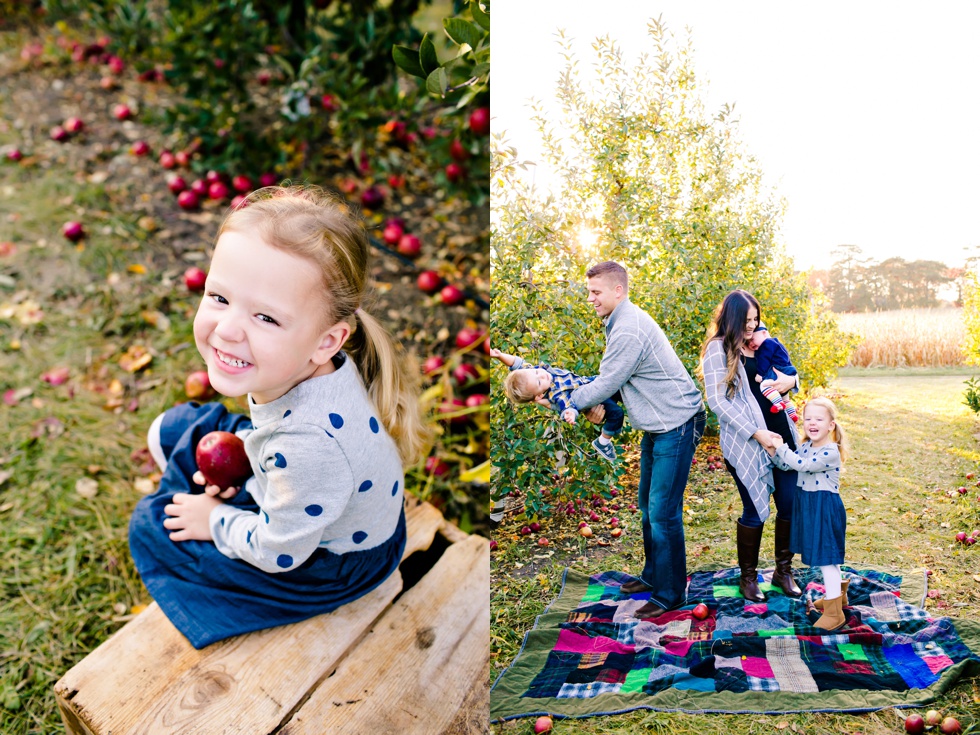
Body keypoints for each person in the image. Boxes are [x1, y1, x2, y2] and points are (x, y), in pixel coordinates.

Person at [128, 185, 431, 649]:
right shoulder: (311, 371)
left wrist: (214, 521)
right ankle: (227, 493)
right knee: (177, 429)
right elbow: (280, 446)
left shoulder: (307, 447)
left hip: (326, 562)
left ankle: (213, 517)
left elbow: (279, 552)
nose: (228, 330)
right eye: (219, 298)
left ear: (326, 341)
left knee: (152, 526)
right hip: (308, 489)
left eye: (266, 318)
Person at [566, 261, 706, 618]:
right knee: (647, 506)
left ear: (618, 290)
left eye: (595, 292)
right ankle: (654, 576)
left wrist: (566, 399)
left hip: (677, 423)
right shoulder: (620, 322)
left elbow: (606, 382)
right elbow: (612, 382)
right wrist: (591, 401)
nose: (590, 299)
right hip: (660, 425)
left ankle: (672, 593)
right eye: (589, 292)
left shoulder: (627, 328)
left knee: (663, 512)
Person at [700, 290, 802, 603]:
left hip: (782, 439)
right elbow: (718, 401)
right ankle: (748, 577)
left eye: (755, 319)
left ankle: (783, 571)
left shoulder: (761, 343)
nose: (752, 326)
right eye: (746, 320)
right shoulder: (718, 350)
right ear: (731, 319)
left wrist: (791, 382)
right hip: (748, 443)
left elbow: (788, 374)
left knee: (789, 505)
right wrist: (757, 433)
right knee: (756, 510)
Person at [768, 397, 849, 630]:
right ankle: (837, 597)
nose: (812, 423)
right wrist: (775, 451)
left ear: (831, 425)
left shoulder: (830, 451)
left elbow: (803, 465)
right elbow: (789, 465)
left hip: (824, 508)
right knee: (827, 557)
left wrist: (783, 449)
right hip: (810, 507)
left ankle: (835, 614)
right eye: (808, 419)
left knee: (826, 559)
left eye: (819, 419)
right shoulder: (805, 447)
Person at [491, 347, 625, 462]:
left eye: (537, 372)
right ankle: (603, 442)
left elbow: (517, 363)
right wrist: (570, 414)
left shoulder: (532, 373)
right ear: (539, 395)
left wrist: (499, 355)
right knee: (617, 413)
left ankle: (614, 427)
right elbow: (568, 406)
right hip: (593, 397)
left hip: (589, 382)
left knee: (619, 386)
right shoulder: (556, 394)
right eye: (539, 382)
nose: (542, 376)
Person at [748, 323, 799, 423]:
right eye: (747, 342)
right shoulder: (776, 343)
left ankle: (778, 404)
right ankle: (792, 414)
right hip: (787, 370)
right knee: (786, 398)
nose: (750, 343)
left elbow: (764, 360)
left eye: (752, 339)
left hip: (777, 369)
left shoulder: (766, 344)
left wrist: (760, 374)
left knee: (765, 385)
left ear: (764, 333)